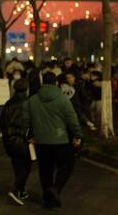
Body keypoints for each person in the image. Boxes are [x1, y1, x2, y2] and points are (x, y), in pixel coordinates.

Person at [24, 72, 82, 209]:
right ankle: (56, 189)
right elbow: (72, 120)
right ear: (56, 83)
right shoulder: (63, 99)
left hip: (40, 141)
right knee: (67, 164)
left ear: (42, 82)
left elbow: (25, 121)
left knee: (45, 169)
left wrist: (28, 136)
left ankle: (48, 200)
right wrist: (78, 135)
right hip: (61, 140)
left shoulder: (32, 100)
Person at [1, 79, 32, 206]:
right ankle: (16, 189)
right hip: (24, 140)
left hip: (10, 140)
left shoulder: (8, 103)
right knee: (26, 166)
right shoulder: (29, 103)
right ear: (26, 89)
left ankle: (21, 190)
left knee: (17, 165)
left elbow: (2, 121)